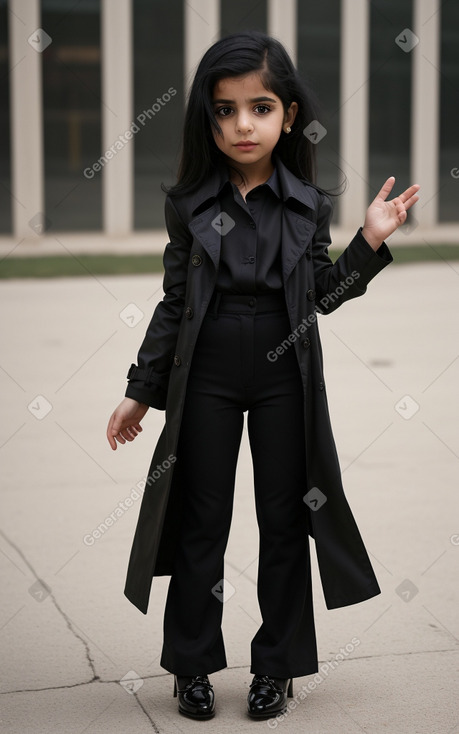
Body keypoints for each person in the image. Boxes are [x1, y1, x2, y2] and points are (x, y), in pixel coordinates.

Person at [106, 31, 419, 721]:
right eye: (224, 110)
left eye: (259, 107)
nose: (242, 124)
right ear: (206, 118)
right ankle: (191, 664)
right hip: (207, 377)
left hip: (284, 377)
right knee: (200, 523)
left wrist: (368, 242)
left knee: (284, 523)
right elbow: (174, 304)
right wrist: (140, 389)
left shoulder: (305, 202)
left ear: (287, 113)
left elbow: (321, 297)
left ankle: (274, 666)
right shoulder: (189, 203)